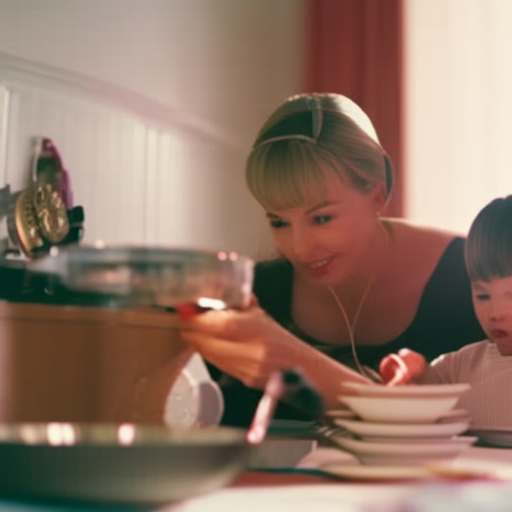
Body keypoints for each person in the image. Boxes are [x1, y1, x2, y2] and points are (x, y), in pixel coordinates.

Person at [179, 92, 485, 426]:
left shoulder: (478, 277)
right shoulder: (252, 296)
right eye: (279, 222)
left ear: (378, 192)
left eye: (322, 218)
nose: (300, 249)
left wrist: (290, 362)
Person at [382, 195, 512, 431]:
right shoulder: (459, 366)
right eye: (483, 296)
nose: (495, 313)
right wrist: (415, 375)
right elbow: (423, 399)